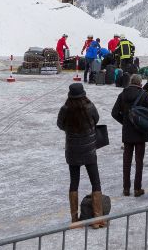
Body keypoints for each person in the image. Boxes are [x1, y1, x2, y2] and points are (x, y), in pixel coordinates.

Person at [56, 83, 105, 228]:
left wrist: (71, 130)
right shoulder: (89, 107)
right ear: (83, 94)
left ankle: (74, 219)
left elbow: (60, 125)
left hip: (72, 150)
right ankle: (97, 219)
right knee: (95, 182)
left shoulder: (65, 109)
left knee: (74, 182)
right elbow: (96, 119)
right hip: (89, 149)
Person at [111, 74, 148, 197]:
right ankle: (137, 189)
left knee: (126, 161)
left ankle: (126, 188)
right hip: (140, 132)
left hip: (127, 132)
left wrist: (125, 121)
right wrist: (142, 120)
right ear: (140, 83)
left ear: (130, 82)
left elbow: (114, 113)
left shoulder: (123, 94)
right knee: (139, 161)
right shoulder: (144, 95)